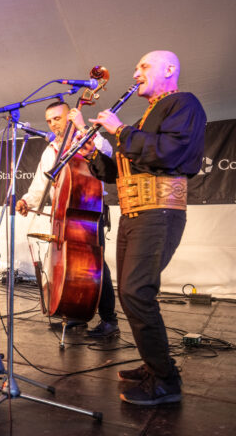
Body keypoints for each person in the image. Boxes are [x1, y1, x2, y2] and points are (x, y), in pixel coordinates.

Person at [84, 50, 206, 405]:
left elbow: (168, 152)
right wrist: (94, 148)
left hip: (159, 212)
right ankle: (155, 366)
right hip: (134, 212)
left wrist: (119, 130)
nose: (136, 72)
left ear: (169, 70)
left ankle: (166, 380)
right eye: (136, 66)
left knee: (137, 292)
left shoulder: (184, 103)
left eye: (144, 66)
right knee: (129, 292)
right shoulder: (144, 119)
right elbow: (116, 172)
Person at [15, 102, 119, 338]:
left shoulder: (90, 137)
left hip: (88, 210)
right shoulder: (50, 149)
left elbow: (106, 155)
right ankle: (76, 313)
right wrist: (26, 202)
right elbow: (40, 185)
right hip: (62, 213)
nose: (52, 124)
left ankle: (109, 320)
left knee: (95, 265)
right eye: (49, 120)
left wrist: (83, 129)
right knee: (69, 265)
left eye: (57, 118)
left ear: (71, 116)